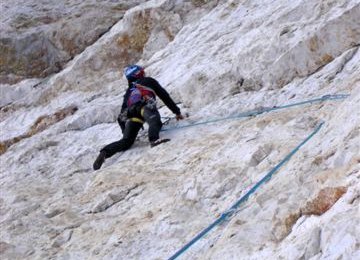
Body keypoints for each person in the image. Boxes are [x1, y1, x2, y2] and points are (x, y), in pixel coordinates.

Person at [93, 65, 184, 170]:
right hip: (144, 107)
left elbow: (121, 116)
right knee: (155, 122)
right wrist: (177, 112)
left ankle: (105, 152)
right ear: (138, 73)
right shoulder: (148, 81)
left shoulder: (129, 91)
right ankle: (154, 140)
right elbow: (164, 96)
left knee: (127, 141)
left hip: (131, 114)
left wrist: (125, 132)